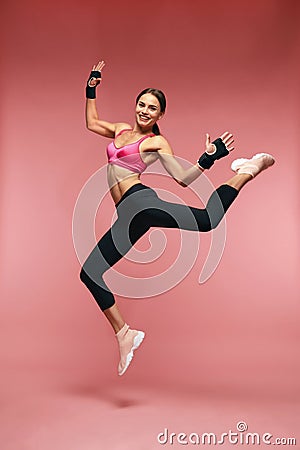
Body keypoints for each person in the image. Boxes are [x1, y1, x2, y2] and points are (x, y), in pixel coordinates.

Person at [79, 60, 275, 376]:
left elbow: (183, 178)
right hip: (129, 215)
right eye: (142, 104)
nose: (145, 110)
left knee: (207, 219)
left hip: (140, 203)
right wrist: (91, 87)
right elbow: (91, 122)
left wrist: (207, 159)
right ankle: (125, 333)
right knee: (90, 273)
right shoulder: (120, 130)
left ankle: (246, 172)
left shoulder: (156, 142)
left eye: (152, 108)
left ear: (160, 115)